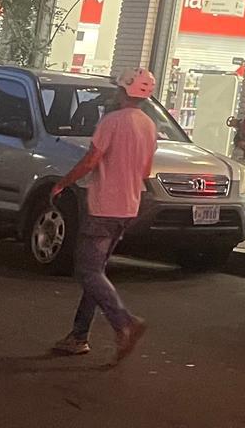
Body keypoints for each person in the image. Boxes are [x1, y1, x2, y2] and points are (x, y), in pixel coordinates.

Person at [48, 70, 159, 361]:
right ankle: (78, 335)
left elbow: (91, 160)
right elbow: (146, 171)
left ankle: (124, 322)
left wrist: (63, 183)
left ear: (123, 92)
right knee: (96, 273)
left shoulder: (111, 121)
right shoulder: (149, 125)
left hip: (104, 206)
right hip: (128, 207)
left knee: (88, 271)